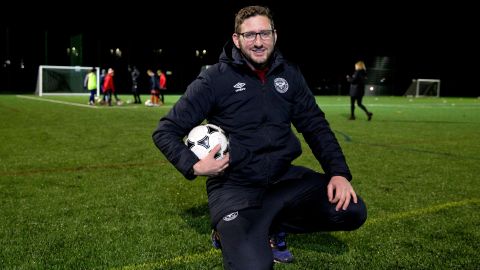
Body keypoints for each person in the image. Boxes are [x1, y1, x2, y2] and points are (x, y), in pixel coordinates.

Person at [152, 5, 367, 269]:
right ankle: (229, 230)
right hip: (235, 187)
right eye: (249, 35)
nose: (258, 42)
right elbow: (166, 130)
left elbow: (315, 125)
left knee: (352, 210)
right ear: (237, 39)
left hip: (283, 180)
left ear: (275, 36)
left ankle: (273, 223)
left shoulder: (289, 74)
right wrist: (194, 165)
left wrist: (338, 173)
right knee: (254, 266)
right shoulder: (214, 80)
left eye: (264, 34)